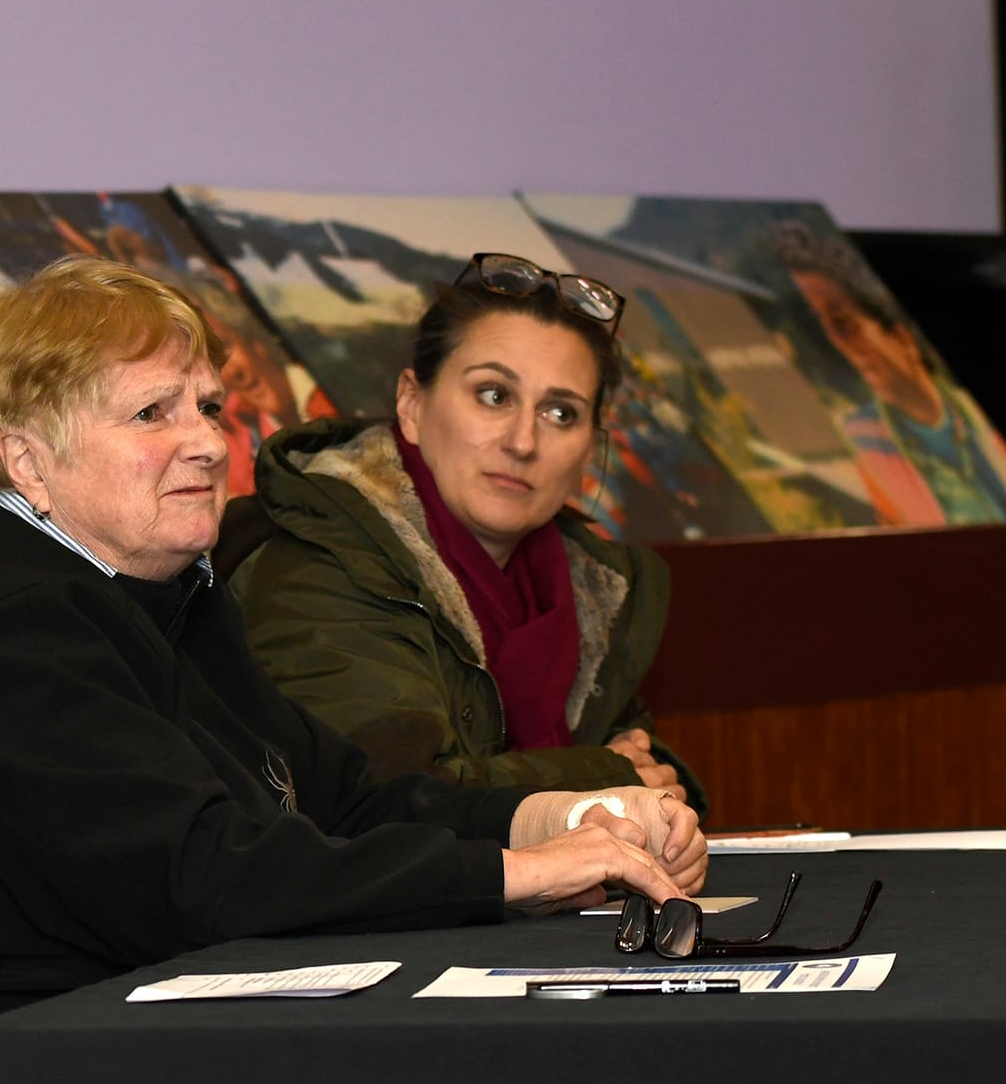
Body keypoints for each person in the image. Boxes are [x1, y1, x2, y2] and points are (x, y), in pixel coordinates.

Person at [0, 256, 705, 1056]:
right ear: (27, 459)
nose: (209, 443)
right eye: (151, 414)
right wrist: (517, 876)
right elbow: (200, 880)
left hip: (90, 1048)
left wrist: (571, 816)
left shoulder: (161, 582)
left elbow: (338, 795)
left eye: (209, 406)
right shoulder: (8, 621)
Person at [222, 255, 707, 816]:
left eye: (560, 413)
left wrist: (659, 798)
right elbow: (388, 800)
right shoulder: (317, 561)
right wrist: (611, 779)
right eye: (494, 395)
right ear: (412, 403)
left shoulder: (590, 592)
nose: (522, 441)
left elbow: (646, 764)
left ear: (588, 450)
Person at [767, 220, 1006, 526]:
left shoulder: (978, 419)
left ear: (902, 336)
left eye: (842, 319)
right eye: (821, 324)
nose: (839, 343)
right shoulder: (860, 444)